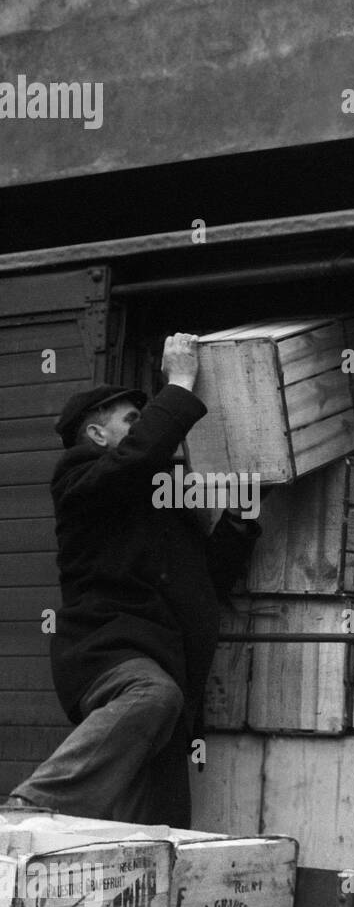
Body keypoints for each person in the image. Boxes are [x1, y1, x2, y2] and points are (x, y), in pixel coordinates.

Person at [4, 334, 259, 827]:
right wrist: (181, 382)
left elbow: (207, 580)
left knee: (161, 832)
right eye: (131, 420)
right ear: (98, 436)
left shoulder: (159, 499)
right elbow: (137, 460)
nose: (144, 429)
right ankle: (36, 803)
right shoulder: (79, 479)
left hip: (170, 680)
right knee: (153, 695)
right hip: (110, 656)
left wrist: (245, 512)